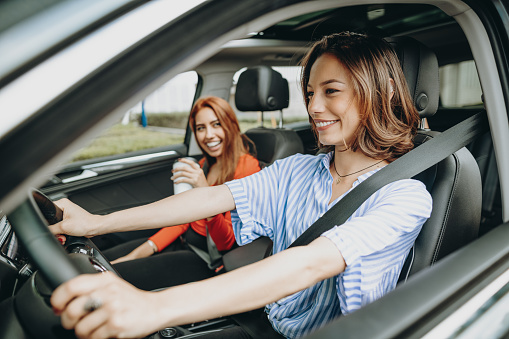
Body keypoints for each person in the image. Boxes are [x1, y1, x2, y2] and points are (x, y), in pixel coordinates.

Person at [49, 32, 432, 339]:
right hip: (267, 321)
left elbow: (311, 263)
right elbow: (211, 198)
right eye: (311, 93)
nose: (314, 107)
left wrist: (153, 308)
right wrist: (95, 223)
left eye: (331, 91)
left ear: (373, 96)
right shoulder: (298, 170)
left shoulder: (405, 197)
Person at [106, 96, 261, 289]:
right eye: (201, 128)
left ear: (231, 125)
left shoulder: (248, 169)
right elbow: (182, 221)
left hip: (206, 259)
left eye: (216, 124)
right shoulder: (205, 165)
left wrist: (204, 191)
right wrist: (143, 251)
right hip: (183, 242)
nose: (208, 135)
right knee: (105, 261)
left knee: (115, 277)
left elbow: (226, 244)